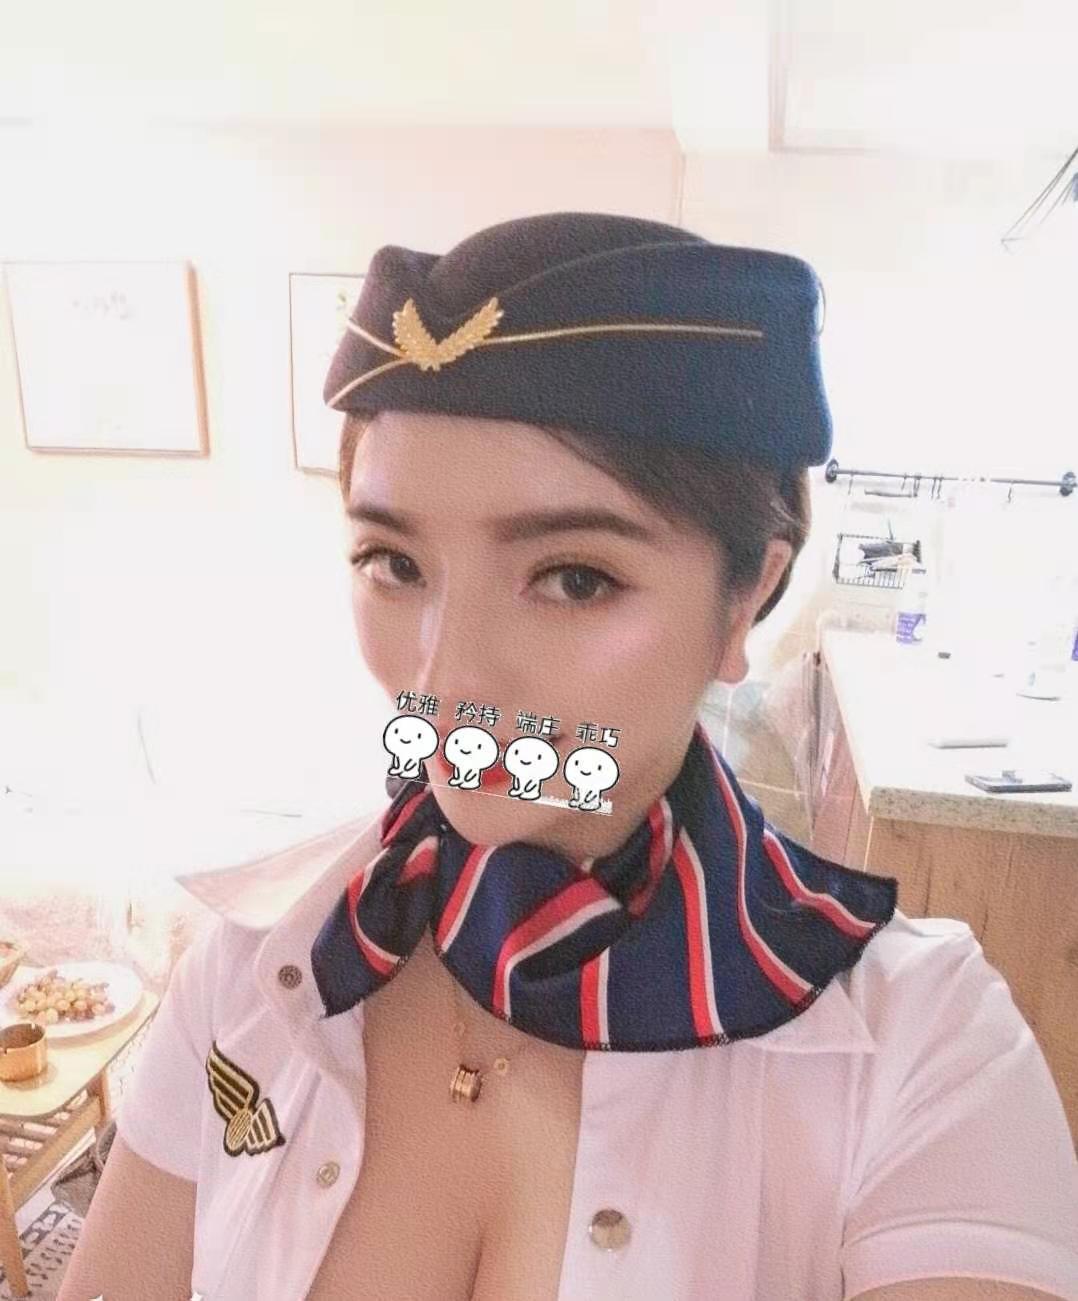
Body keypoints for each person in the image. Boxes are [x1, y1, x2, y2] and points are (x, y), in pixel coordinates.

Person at [58, 213, 1078, 1301]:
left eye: (573, 578)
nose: (448, 681)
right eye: (393, 561)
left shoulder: (919, 1046)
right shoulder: (254, 968)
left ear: (746, 597)